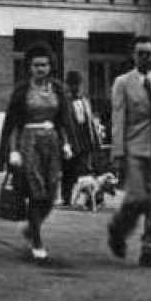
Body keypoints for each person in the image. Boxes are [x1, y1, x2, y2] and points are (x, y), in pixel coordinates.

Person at [0, 45, 74, 262]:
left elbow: (62, 121)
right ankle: (37, 240)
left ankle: (32, 227)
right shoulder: (22, 91)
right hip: (28, 143)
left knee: (51, 193)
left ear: (51, 67)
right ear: (29, 68)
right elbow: (14, 123)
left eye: (44, 65)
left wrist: (66, 144)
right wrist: (13, 151)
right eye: (36, 65)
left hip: (52, 142)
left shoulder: (57, 89)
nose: (40, 69)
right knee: (35, 191)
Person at [106, 36, 151, 268]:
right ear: (133, 56)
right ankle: (117, 230)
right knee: (137, 198)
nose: (144, 57)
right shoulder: (122, 83)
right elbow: (117, 118)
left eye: (148, 53)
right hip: (134, 147)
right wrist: (117, 154)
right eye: (140, 53)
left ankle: (150, 250)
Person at [59, 71, 103, 206]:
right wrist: (65, 143)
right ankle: (66, 198)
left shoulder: (84, 100)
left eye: (77, 85)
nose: (75, 88)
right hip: (71, 140)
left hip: (84, 140)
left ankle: (91, 198)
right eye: (72, 85)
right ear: (67, 85)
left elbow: (89, 120)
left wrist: (96, 136)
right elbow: (61, 124)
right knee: (68, 171)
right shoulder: (64, 102)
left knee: (86, 170)